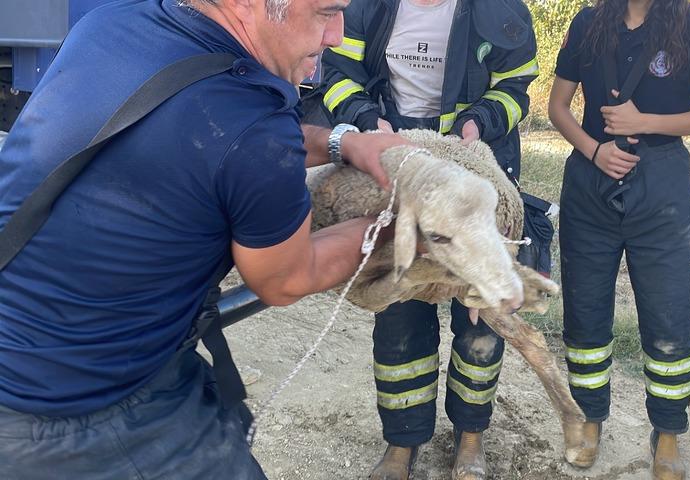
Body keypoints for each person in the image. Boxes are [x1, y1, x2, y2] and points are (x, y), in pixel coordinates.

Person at [0, 0, 411, 478]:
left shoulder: (117, 21)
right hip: (79, 410)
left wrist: (342, 142)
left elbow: (211, 138)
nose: (338, 35)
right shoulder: (250, 126)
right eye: (325, 12)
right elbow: (286, 277)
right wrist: (404, 226)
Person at [318, 0, 538, 478]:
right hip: (400, 171)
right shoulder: (367, 8)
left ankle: (471, 438)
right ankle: (402, 442)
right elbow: (334, 73)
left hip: (475, 170)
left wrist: (477, 124)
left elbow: (517, 88)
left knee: (481, 318)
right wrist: (364, 118)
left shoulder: (499, 9)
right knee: (399, 311)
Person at [548, 1, 690, 479]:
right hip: (590, 182)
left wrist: (642, 121)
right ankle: (589, 419)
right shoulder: (587, 23)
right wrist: (594, 150)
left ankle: (667, 433)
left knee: (667, 313)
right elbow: (557, 107)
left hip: (661, 183)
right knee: (585, 312)